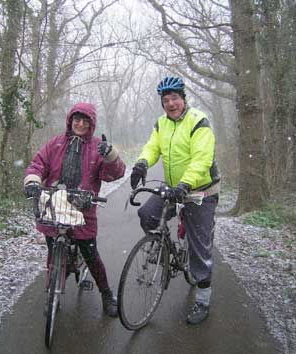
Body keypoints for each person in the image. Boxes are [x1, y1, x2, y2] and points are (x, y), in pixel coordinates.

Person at [130, 76, 220, 325]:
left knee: (199, 247)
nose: (171, 104)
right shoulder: (162, 124)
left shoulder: (198, 121)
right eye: (166, 100)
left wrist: (185, 184)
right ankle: (163, 245)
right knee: (147, 214)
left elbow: (202, 159)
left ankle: (202, 298)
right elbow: (152, 148)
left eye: (175, 98)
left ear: (183, 99)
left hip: (200, 190)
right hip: (173, 188)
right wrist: (142, 163)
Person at [24, 102, 126, 317]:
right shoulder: (55, 144)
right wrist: (33, 182)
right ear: (70, 121)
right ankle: (52, 295)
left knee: (90, 254)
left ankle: (106, 294)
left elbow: (115, 174)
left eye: (85, 120)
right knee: (54, 252)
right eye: (76, 119)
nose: (80, 124)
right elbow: (37, 164)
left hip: (83, 209)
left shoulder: (97, 146)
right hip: (54, 205)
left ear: (91, 124)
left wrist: (110, 155)